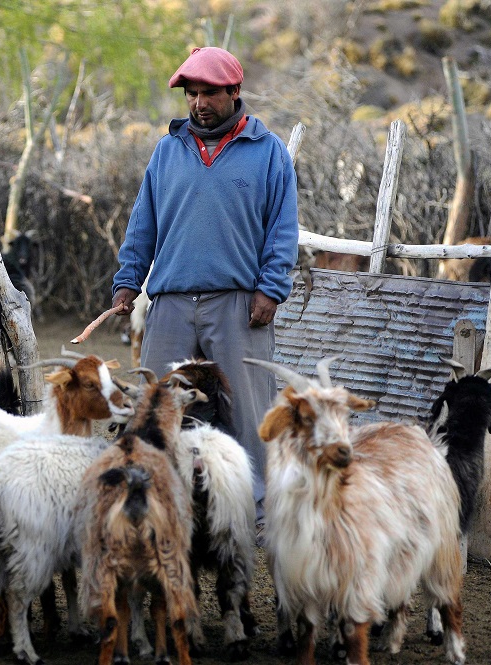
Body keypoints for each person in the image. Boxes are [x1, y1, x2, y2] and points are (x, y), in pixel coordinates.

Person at [111, 46, 299, 526]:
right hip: (171, 303)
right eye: (191, 94)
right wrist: (128, 281)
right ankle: (151, 506)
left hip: (238, 305)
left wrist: (271, 289)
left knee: (247, 409)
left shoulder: (268, 151)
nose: (198, 103)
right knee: (154, 407)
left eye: (209, 93)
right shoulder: (167, 150)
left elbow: (283, 228)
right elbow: (143, 224)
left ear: (234, 92)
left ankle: (255, 513)